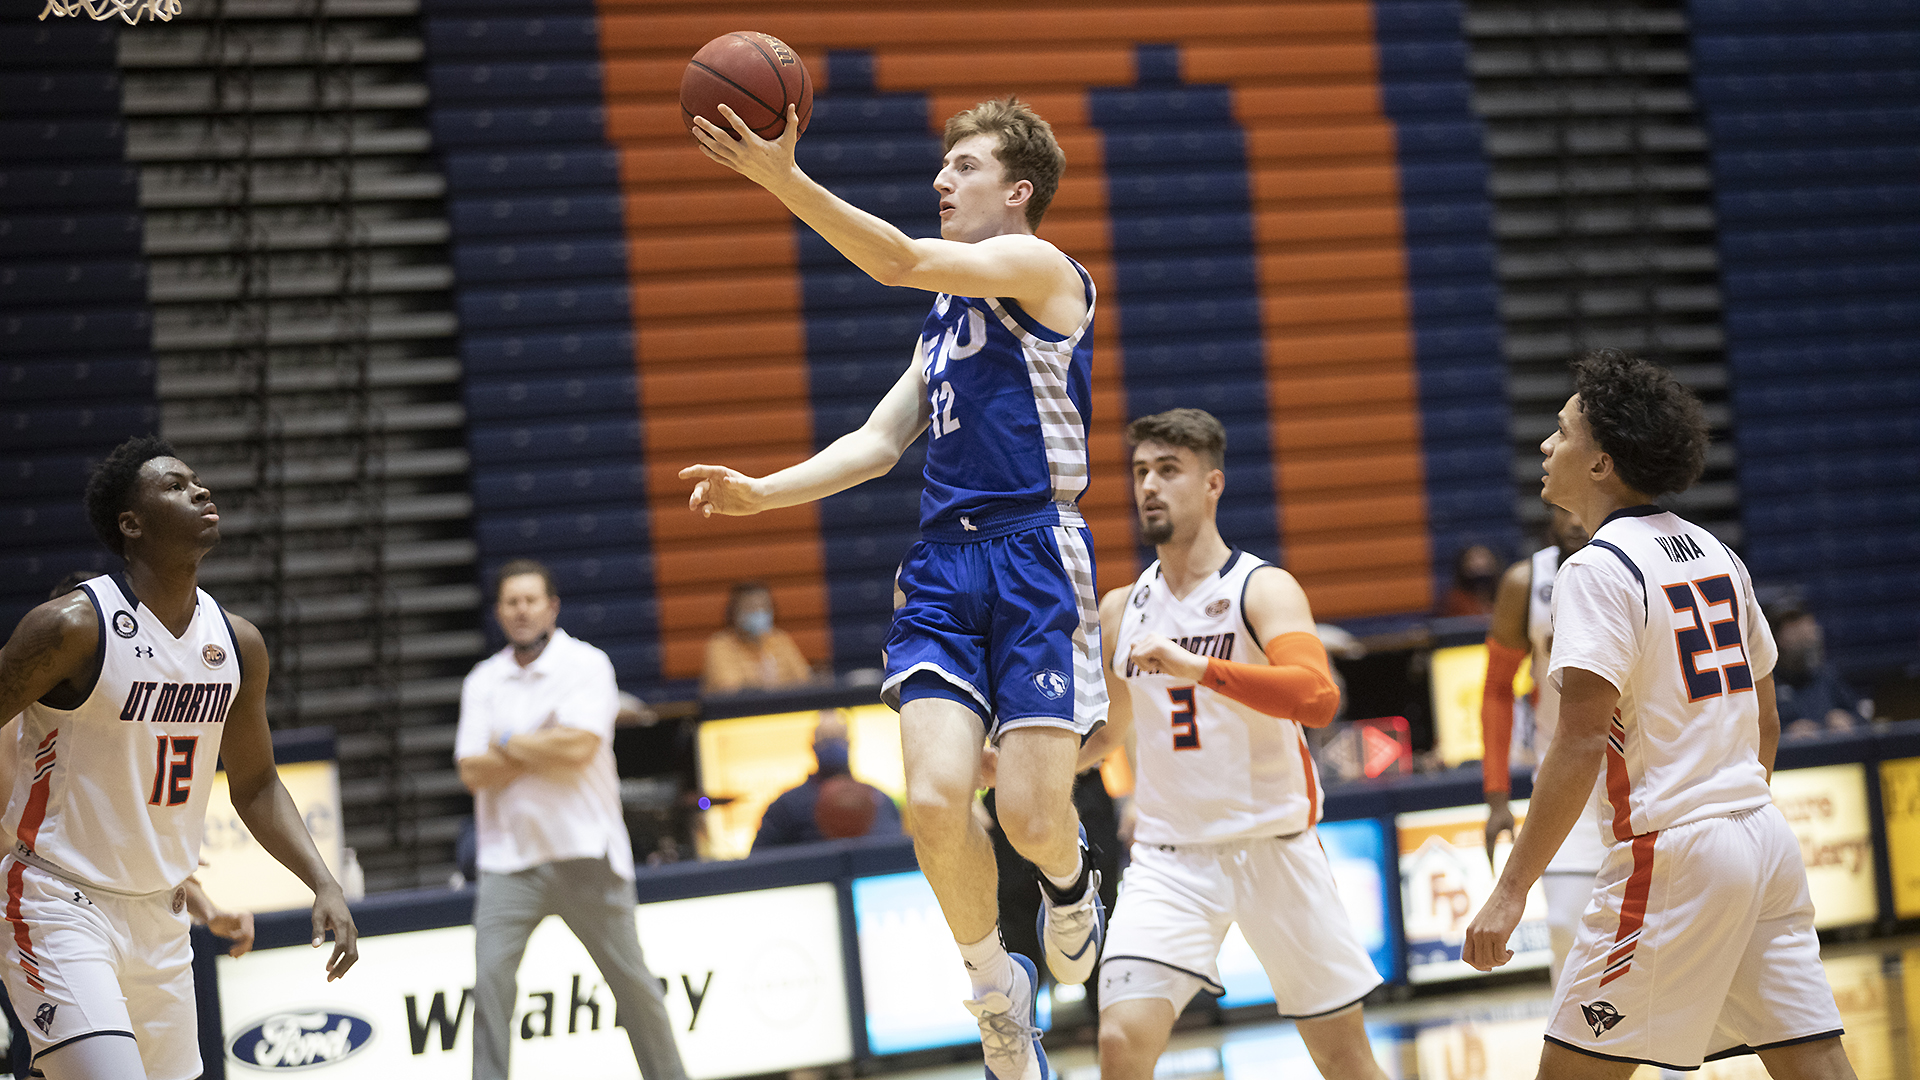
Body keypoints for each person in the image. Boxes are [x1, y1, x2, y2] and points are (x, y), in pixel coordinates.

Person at [685, 95, 1107, 1080]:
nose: (939, 181)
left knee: (1032, 819)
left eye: (962, 166)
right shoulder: (946, 322)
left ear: (1019, 190)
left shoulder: (1045, 271)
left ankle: (1071, 876)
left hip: (1036, 555)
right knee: (930, 800)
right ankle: (997, 995)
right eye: (942, 165)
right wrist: (763, 496)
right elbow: (879, 443)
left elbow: (898, 257)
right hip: (941, 572)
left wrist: (783, 179)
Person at [1463, 351, 1853, 1078]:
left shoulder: (1595, 569)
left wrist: (1509, 891)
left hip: (1676, 850)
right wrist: (1734, 812)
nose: (1547, 446)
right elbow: (1763, 718)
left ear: (1603, 462)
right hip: (1763, 837)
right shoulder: (1717, 553)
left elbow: (1579, 745)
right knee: (1816, 1064)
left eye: (1563, 432)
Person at [0, 435, 357, 1080]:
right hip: (59, 903)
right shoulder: (72, 628)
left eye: (197, 480)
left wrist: (324, 881)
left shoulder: (237, 642)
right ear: (130, 524)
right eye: (173, 485)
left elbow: (256, 785)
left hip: (162, 917)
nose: (200, 491)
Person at [1088, 409, 1386, 1080]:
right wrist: (1015, 771)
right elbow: (1109, 733)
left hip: (1274, 850)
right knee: (1119, 1043)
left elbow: (1318, 697)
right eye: (1140, 472)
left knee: (1344, 1060)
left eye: (1169, 471)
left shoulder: (1261, 588)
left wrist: (1201, 668)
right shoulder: (1120, 609)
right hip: (1170, 860)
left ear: (1213, 484)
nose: (1149, 487)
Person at [455, 560, 686, 1080]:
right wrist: (547, 742)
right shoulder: (482, 680)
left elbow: (581, 746)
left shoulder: (587, 664)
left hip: (587, 854)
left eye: (531, 600)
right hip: (508, 863)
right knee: (490, 986)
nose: (521, 610)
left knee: (635, 988)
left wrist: (509, 743)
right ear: (498, 612)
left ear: (552, 607)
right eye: (511, 602)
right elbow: (472, 770)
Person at [1479, 505, 1599, 984]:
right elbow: (1496, 691)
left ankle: (1671, 1058)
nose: (1574, 521)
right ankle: (1577, 1054)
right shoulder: (1524, 583)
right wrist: (1496, 796)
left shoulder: (1641, 565)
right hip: (1566, 773)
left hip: (1644, 771)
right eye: (1563, 510)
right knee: (1565, 929)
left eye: (1584, 510)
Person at [751, 712, 902, 850]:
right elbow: (758, 866)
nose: (832, 744)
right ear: (812, 745)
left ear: (849, 742)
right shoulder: (786, 808)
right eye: (825, 738)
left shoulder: (881, 801)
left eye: (838, 736)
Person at [1767, 606, 1866, 737]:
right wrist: (1785, 734)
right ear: (1776, 638)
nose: (1803, 633)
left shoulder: (1827, 676)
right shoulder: (1765, 683)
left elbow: (1863, 721)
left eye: (1806, 625)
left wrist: (1847, 720)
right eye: (1792, 628)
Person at [702, 581, 813, 695]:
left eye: (765, 606)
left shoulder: (780, 639)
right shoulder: (720, 645)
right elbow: (730, 691)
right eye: (751, 607)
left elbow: (804, 680)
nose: (759, 612)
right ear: (733, 612)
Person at [1443, 544, 1502, 616]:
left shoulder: (1503, 594)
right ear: (1463, 566)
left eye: (1483, 557)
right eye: (1473, 559)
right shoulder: (1456, 599)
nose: (1479, 564)